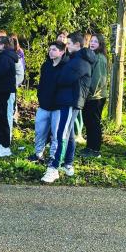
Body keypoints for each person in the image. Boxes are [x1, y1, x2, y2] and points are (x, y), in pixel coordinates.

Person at [42, 32, 96, 184]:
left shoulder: (79, 61)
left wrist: (60, 76)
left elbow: (63, 78)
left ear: (77, 45)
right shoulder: (76, 59)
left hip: (71, 101)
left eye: (69, 43)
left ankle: (54, 168)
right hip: (69, 100)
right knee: (69, 133)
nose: (67, 45)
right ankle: (68, 164)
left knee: (61, 134)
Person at [28, 41, 68, 163]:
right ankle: (38, 154)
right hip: (44, 105)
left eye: (54, 49)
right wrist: (40, 97)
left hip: (57, 107)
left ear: (61, 52)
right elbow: (42, 83)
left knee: (56, 134)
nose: (51, 51)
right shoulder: (46, 65)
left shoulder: (66, 67)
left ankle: (53, 157)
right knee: (40, 131)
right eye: (50, 49)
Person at [0, 35, 19, 158]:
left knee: (2, 118)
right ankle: (0, 142)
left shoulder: (5, 57)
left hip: (4, 90)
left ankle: (5, 146)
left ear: (3, 44)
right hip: (0, 90)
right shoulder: (2, 56)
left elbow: (0, 72)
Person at [79, 34, 108, 158]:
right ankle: (89, 147)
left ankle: (95, 150)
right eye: (91, 41)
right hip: (90, 96)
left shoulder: (100, 58)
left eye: (96, 41)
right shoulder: (92, 56)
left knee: (94, 123)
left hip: (96, 97)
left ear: (100, 44)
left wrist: (88, 93)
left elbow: (98, 80)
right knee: (88, 122)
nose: (92, 43)